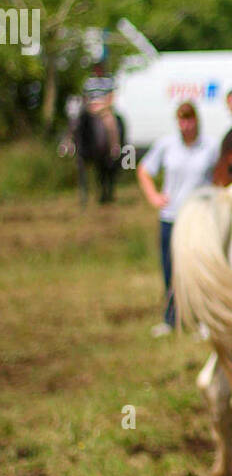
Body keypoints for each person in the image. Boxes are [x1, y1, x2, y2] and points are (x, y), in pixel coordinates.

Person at [136, 102, 219, 336]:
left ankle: (204, 319)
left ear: (196, 120)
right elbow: (144, 169)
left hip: (198, 218)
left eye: (189, 119)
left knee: (200, 269)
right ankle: (171, 318)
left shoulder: (210, 146)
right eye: (181, 120)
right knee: (170, 269)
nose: (185, 125)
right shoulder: (167, 145)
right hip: (171, 217)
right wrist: (153, 195)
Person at [81, 61, 121, 158]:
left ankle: (114, 147)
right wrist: (89, 105)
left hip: (103, 108)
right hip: (91, 107)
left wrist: (103, 106)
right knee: (76, 120)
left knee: (111, 124)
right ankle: (69, 144)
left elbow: (111, 97)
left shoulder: (108, 81)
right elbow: (85, 96)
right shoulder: (89, 81)